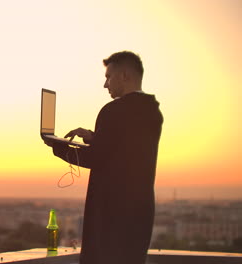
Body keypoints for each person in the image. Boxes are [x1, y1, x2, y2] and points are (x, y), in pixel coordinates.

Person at [43, 51, 163, 264]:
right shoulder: (151, 112)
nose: (105, 85)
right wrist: (95, 137)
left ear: (124, 76)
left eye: (108, 77)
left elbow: (96, 159)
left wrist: (58, 147)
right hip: (140, 213)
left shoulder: (113, 111)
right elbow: (127, 151)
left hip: (111, 215)